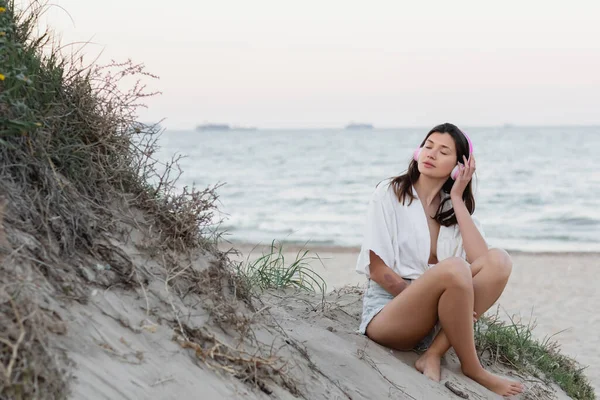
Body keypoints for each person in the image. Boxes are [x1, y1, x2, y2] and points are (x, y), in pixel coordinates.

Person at [355, 123, 523, 397]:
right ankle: (473, 368)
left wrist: (457, 197)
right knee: (455, 268)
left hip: (434, 320)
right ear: (417, 152)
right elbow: (377, 269)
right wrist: (424, 302)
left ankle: (433, 353)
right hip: (390, 314)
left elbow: (484, 266)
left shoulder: (452, 207)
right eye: (428, 145)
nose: (430, 154)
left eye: (443, 151)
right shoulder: (389, 193)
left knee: (500, 260)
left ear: (458, 167)